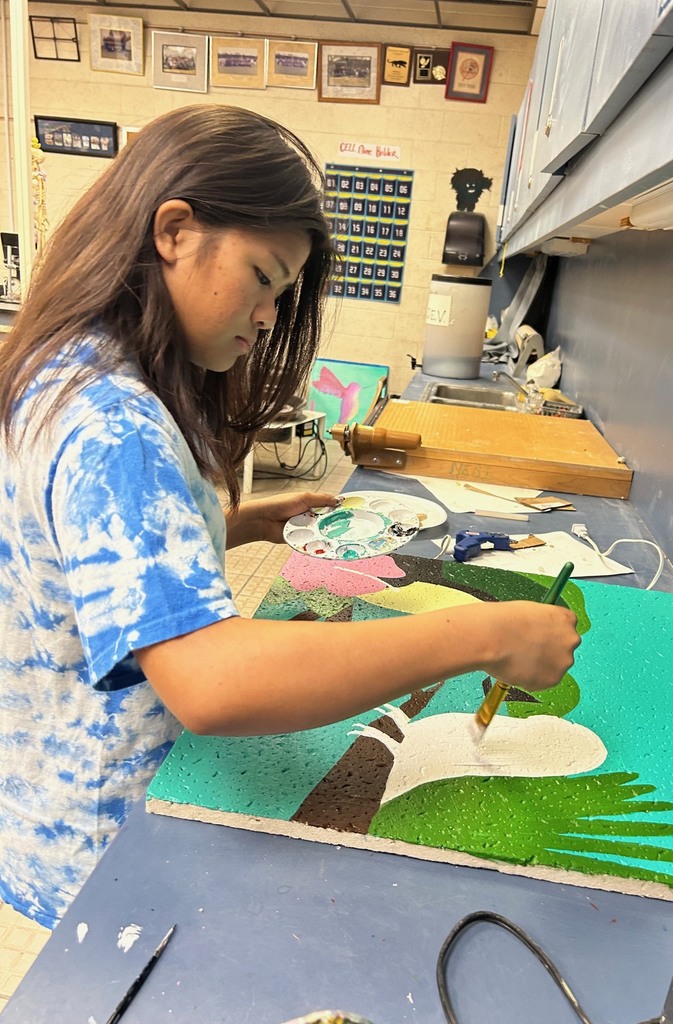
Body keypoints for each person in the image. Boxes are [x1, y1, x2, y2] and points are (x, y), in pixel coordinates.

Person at [0, 104, 580, 929]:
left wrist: (238, 523)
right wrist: (487, 637)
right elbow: (211, 682)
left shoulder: (61, 366)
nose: (269, 315)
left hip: (48, 797)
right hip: (117, 851)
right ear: (174, 230)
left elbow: (80, 559)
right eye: (265, 277)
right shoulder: (114, 424)